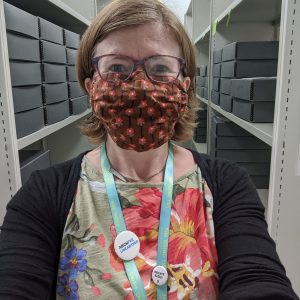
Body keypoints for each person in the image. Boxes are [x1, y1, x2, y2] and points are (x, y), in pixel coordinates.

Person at [0, 0, 298, 299]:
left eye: (160, 68)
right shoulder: (44, 194)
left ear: (185, 85)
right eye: (117, 67)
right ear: (90, 86)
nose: (140, 85)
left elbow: (258, 278)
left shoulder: (228, 184)